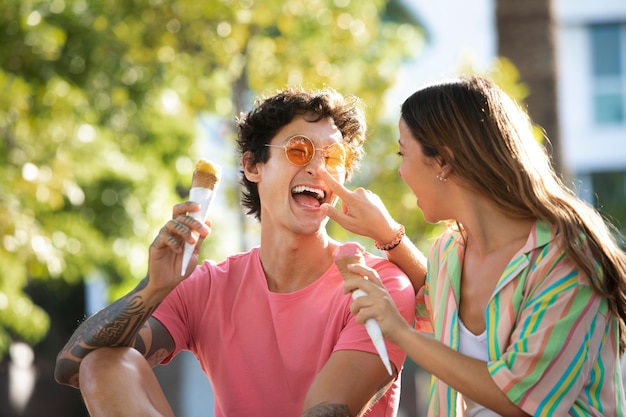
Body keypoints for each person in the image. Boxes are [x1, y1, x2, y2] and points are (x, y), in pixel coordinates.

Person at [54, 87, 416, 417]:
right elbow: (71, 367)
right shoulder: (208, 286)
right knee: (105, 364)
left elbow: (326, 411)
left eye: (334, 157)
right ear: (252, 165)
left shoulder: (376, 286)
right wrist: (155, 287)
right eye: (299, 150)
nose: (318, 168)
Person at [320, 75, 626, 416]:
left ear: (444, 161)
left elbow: (523, 400)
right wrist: (388, 235)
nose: (401, 172)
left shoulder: (566, 258)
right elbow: (432, 307)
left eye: (402, 153)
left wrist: (398, 331)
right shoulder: (451, 251)